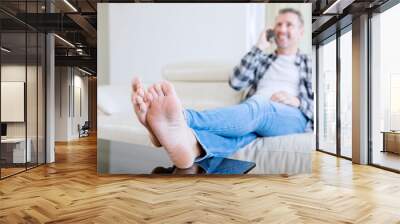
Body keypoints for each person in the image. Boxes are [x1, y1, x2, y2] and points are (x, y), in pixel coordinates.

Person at [131, 8, 313, 169]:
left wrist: (297, 101)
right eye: (279, 24)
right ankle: (190, 146)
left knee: (259, 106)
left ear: (301, 31)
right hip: (254, 114)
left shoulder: (308, 62)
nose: (282, 29)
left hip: (291, 115)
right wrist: (259, 47)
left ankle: (183, 117)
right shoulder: (263, 59)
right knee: (242, 134)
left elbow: (322, 101)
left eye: (289, 25)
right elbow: (236, 81)